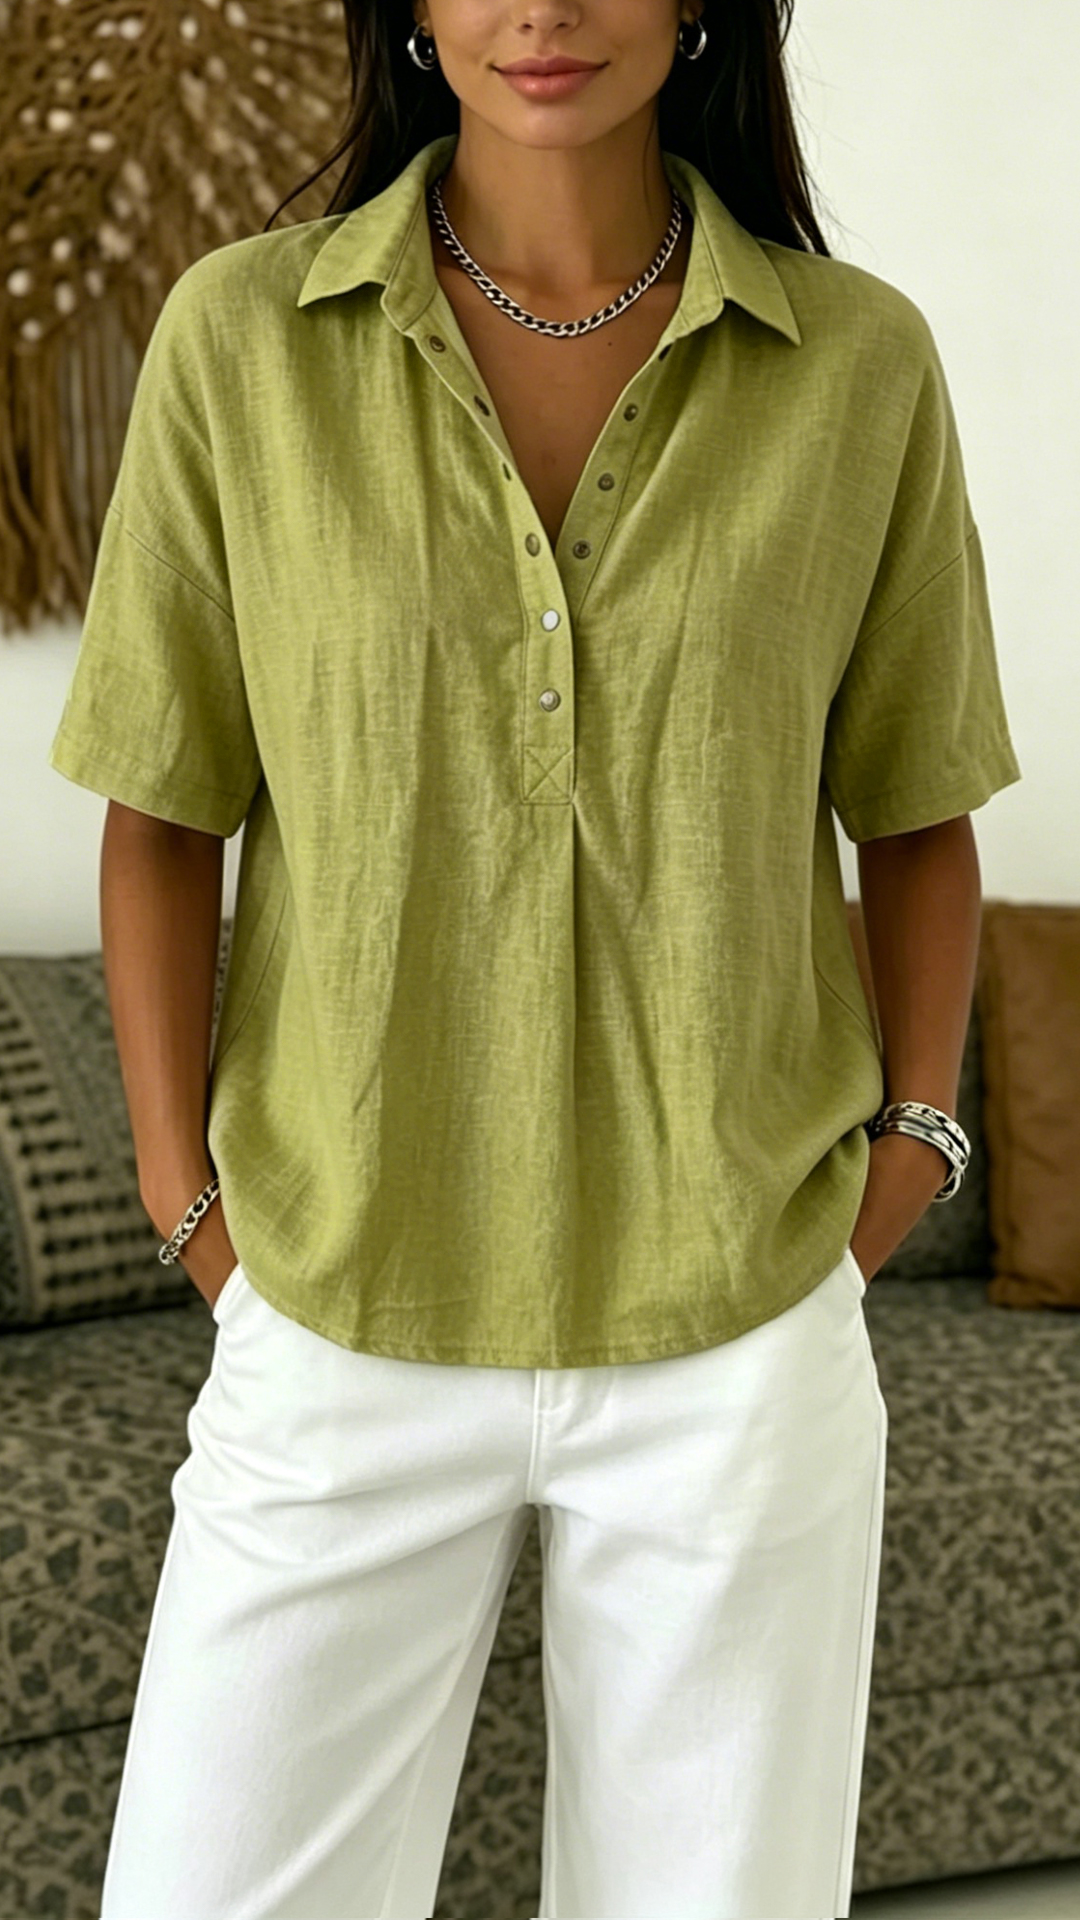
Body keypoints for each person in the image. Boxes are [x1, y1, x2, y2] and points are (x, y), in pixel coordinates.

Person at [48, 3, 1022, 1916]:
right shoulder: (243, 340)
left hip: (739, 1323)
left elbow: (917, 808)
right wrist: (187, 1205)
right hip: (338, 1298)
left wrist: (908, 1153)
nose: (546, 11)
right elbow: (162, 807)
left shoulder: (857, 365)